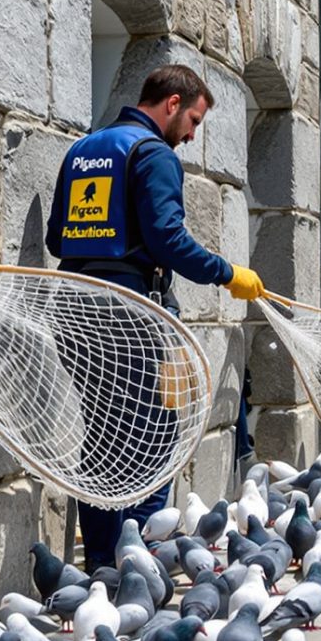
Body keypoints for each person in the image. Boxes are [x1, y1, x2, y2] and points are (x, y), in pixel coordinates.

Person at [47, 63, 269, 568]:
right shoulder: (153, 154)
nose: (191, 135)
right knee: (154, 438)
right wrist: (227, 272)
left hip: (74, 305)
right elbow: (170, 243)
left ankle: (103, 562)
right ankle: (137, 564)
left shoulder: (83, 150)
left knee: (102, 439)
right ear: (172, 104)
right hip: (131, 310)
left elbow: (56, 239)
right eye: (193, 120)